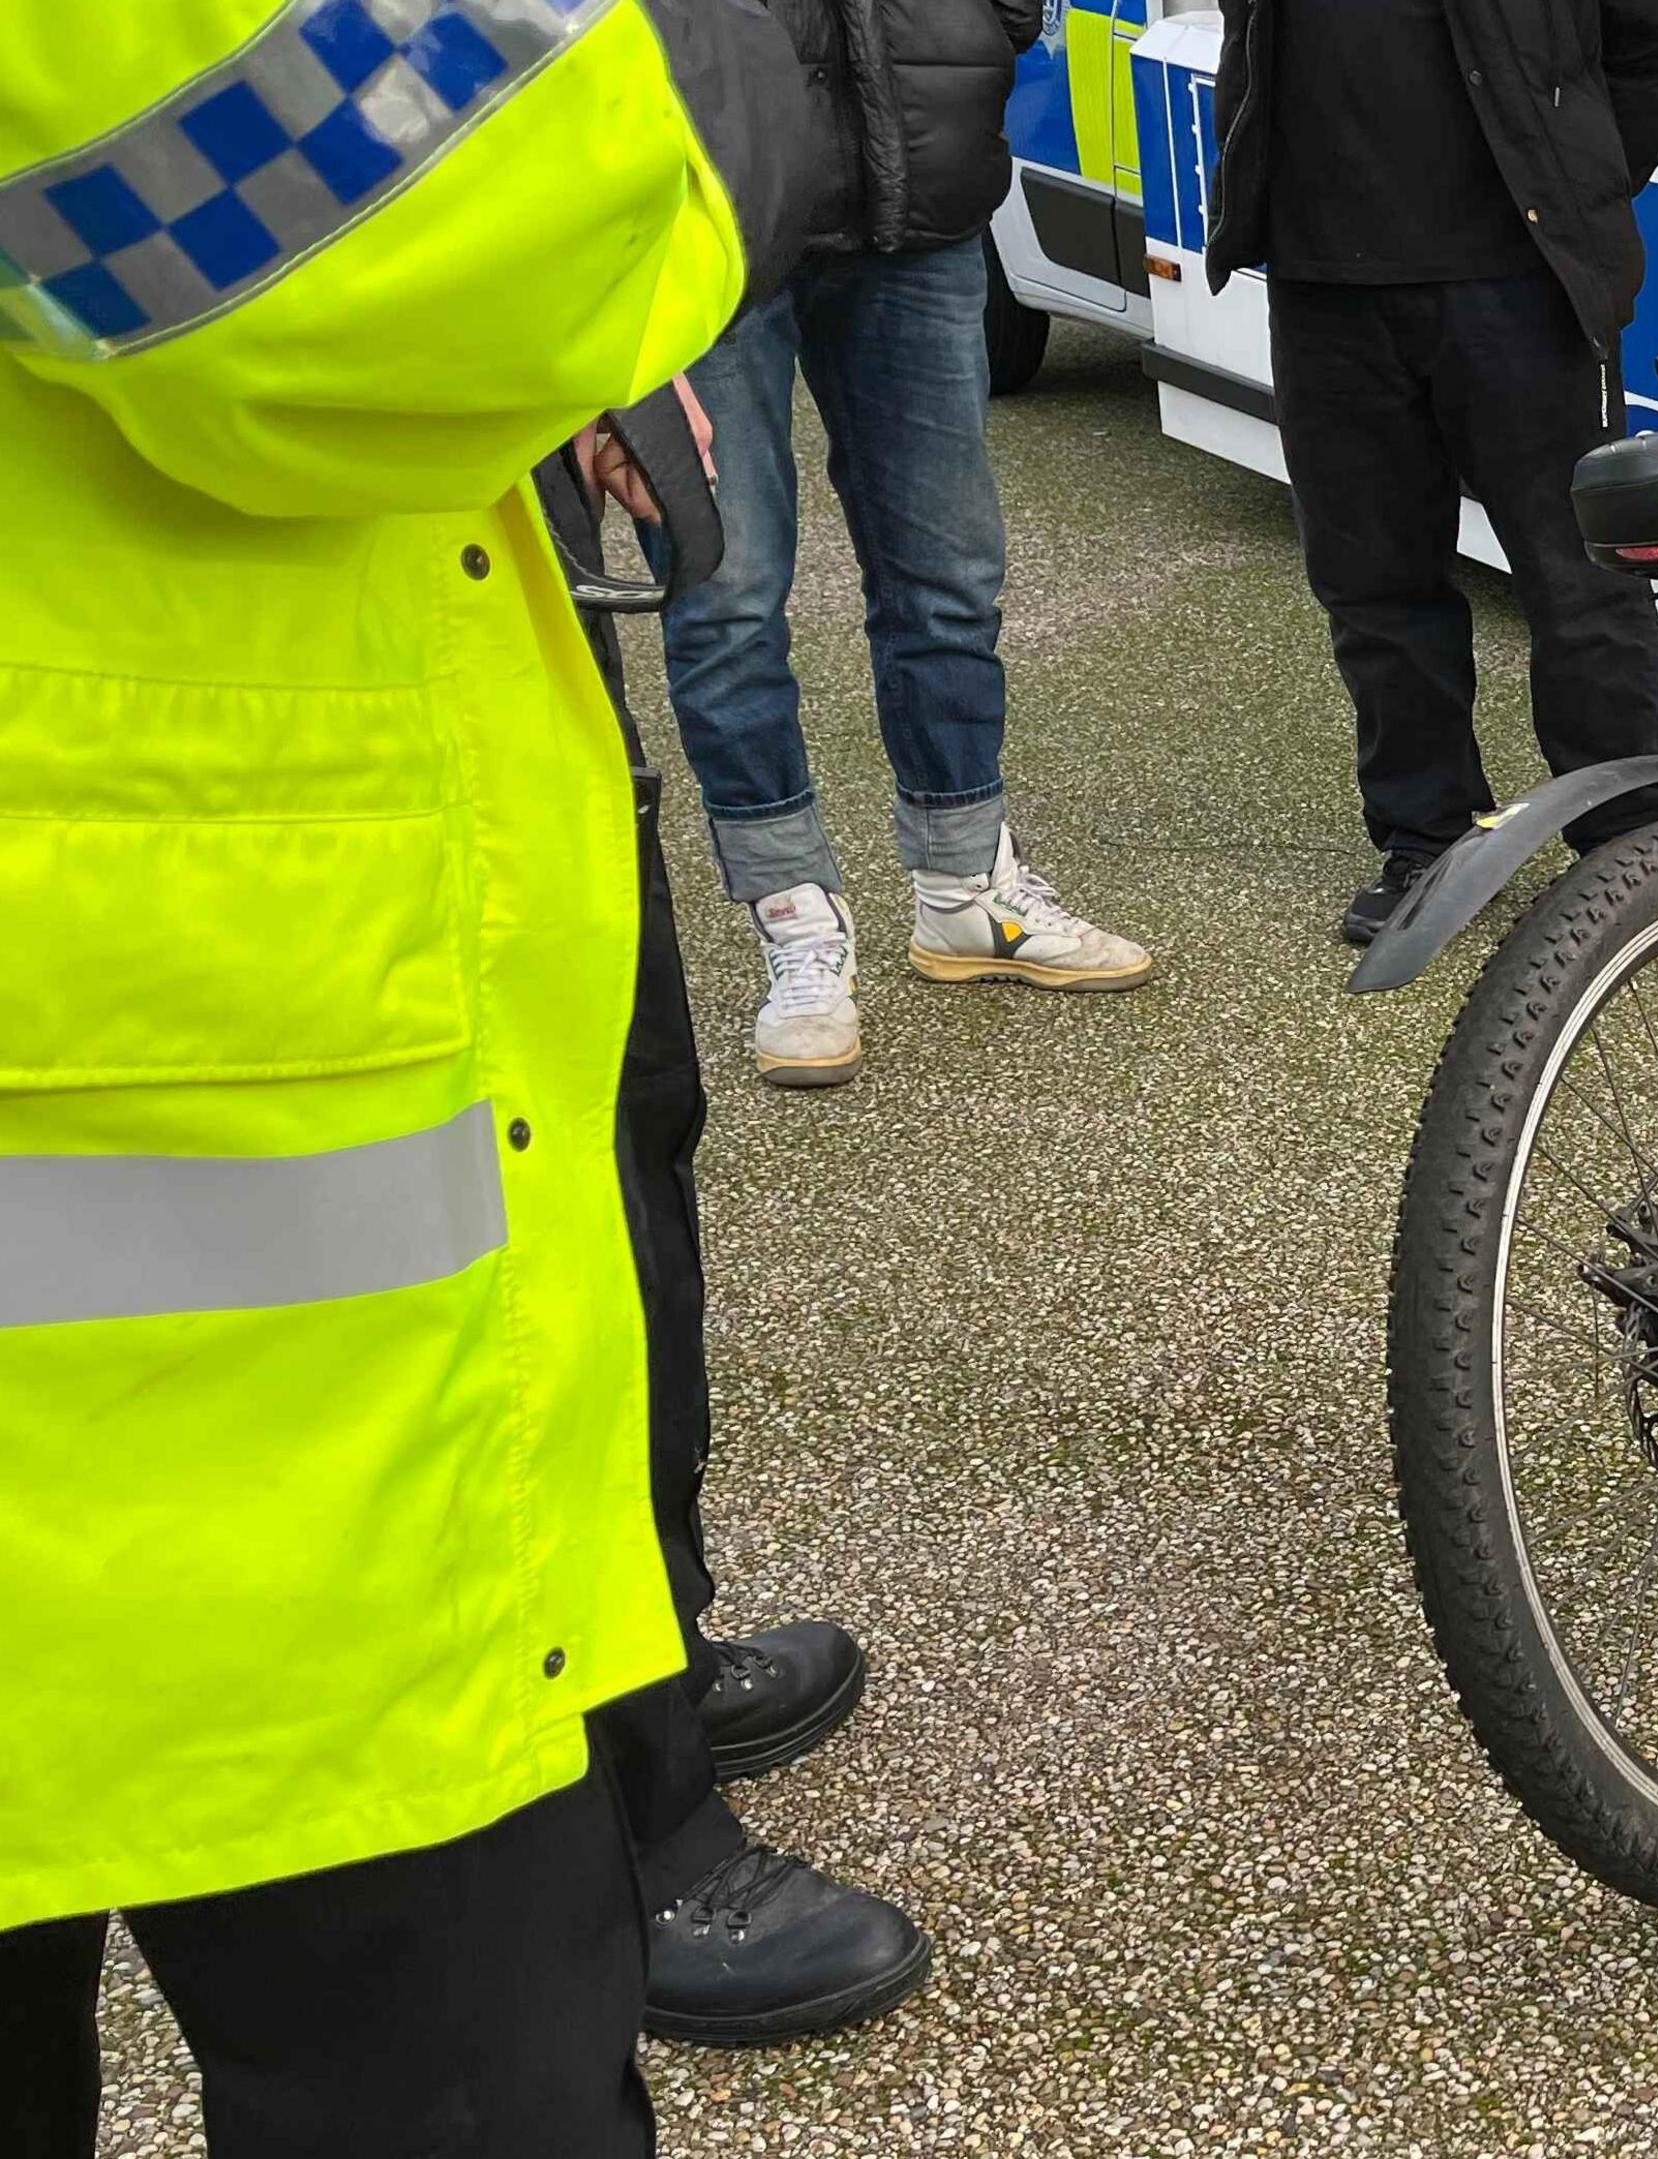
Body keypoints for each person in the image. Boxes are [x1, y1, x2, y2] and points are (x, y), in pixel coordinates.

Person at [0, 1, 806, 2145]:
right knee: (443, 2055)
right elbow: (436, 224)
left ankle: (665, 1722)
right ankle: (662, 1783)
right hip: (182, 1154)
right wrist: (711, 93)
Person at [554, 426, 937, 2047]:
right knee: (539, 1223)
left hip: (476, 600)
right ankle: (619, 1818)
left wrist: (605, 350)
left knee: (636, 1126)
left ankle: (656, 1636)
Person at [662, 0, 1152, 1089]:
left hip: (918, 201)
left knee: (948, 576)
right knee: (726, 590)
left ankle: (965, 889)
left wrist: (978, 31)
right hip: (704, 206)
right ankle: (796, 922)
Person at [1205, 0, 1658, 945]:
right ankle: (1427, 840)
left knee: (1583, 580)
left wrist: (1576, 180)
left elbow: (1657, 37)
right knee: (1375, 591)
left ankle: (1633, 846)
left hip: (1522, 281)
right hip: (1327, 290)